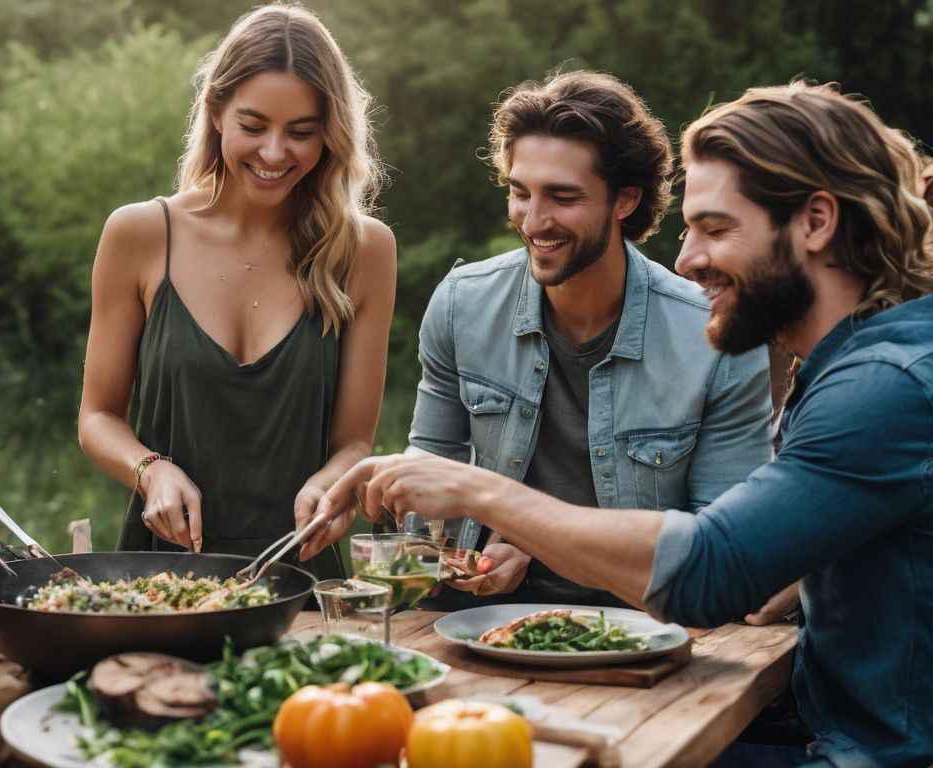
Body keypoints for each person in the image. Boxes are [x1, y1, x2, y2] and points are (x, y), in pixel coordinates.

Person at [323, 81, 933, 767]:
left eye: (717, 227)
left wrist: (482, 495)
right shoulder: (857, 366)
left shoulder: (885, 386)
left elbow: (715, 573)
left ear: (816, 223)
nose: (686, 260)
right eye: (691, 228)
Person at [301, 71, 773, 609]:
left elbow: (728, 554)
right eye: (520, 192)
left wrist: (542, 544)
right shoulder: (462, 304)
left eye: (562, 196)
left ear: (625, 200)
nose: (534, 220)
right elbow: (431, 481)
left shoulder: (714, 338)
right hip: (476, 623)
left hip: (643, 627)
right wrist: (463, 556)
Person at [77, 2, 396, 579]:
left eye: (302, 132)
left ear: (332, 133)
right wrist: (151, 470)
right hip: (161, 581)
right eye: (253, 126)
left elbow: (354, 443)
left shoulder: (365, 250)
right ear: (216, 112)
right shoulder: (140, 234)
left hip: (303, 578)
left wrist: (334, 485)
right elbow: (98, 417)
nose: (275, 153)